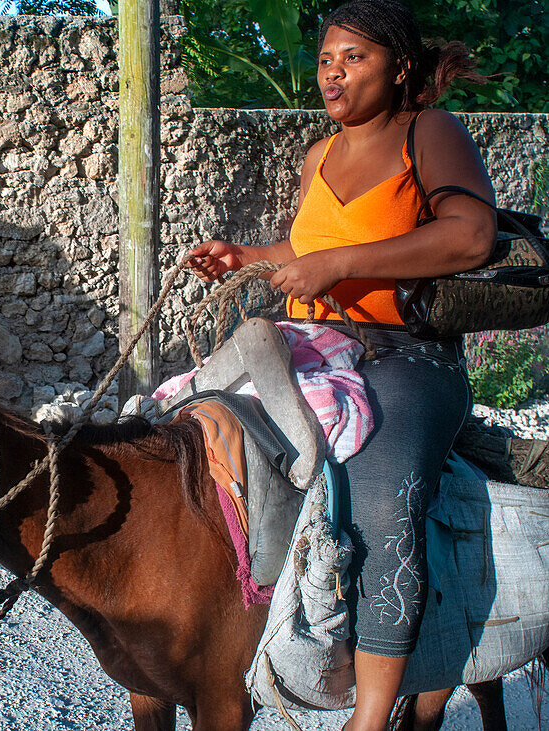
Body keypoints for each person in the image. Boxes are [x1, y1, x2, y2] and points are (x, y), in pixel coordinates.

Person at [185, 2, 495, 728]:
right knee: (204, 439)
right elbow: (308, 250)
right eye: (327, 59)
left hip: (408, 357)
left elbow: (471, 234)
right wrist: (248, 257)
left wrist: (340, 263)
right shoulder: (318, 158)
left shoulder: (430, 133)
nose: (333, 71)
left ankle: (372, 714)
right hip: (322, 349)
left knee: (385, 494)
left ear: (400, 67)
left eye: (353, 57)